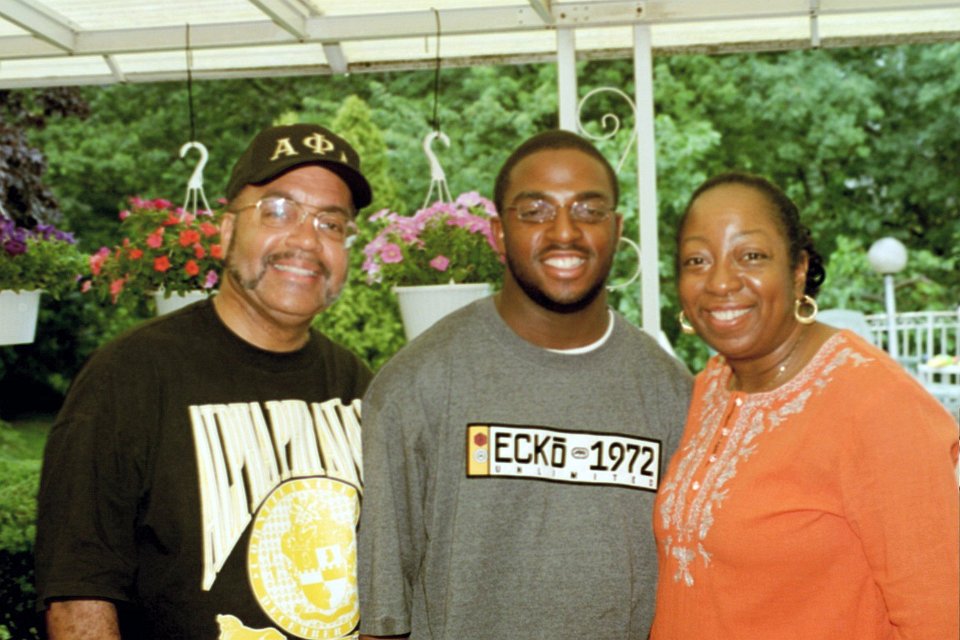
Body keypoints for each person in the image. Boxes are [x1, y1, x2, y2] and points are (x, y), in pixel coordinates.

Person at [35, 123, 376, 639]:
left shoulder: (357, 386)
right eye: (278, 211)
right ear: (226, 231)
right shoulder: (129, 376)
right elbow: (78, 590)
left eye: (331, 223)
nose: (306, 240)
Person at [357, 130, 693, 639]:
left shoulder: (672, 393)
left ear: (617, 228)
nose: (565, 232)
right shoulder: (415, 385)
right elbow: (382, 617)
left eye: (588, 210)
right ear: (497, 233)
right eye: (535, 212)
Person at [652, 171, 959, 639]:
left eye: (751, 256)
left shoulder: (878, 404)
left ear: (798, 270)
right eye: (697, 261)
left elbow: (940, 616)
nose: (720, 282)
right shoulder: (708, 387)